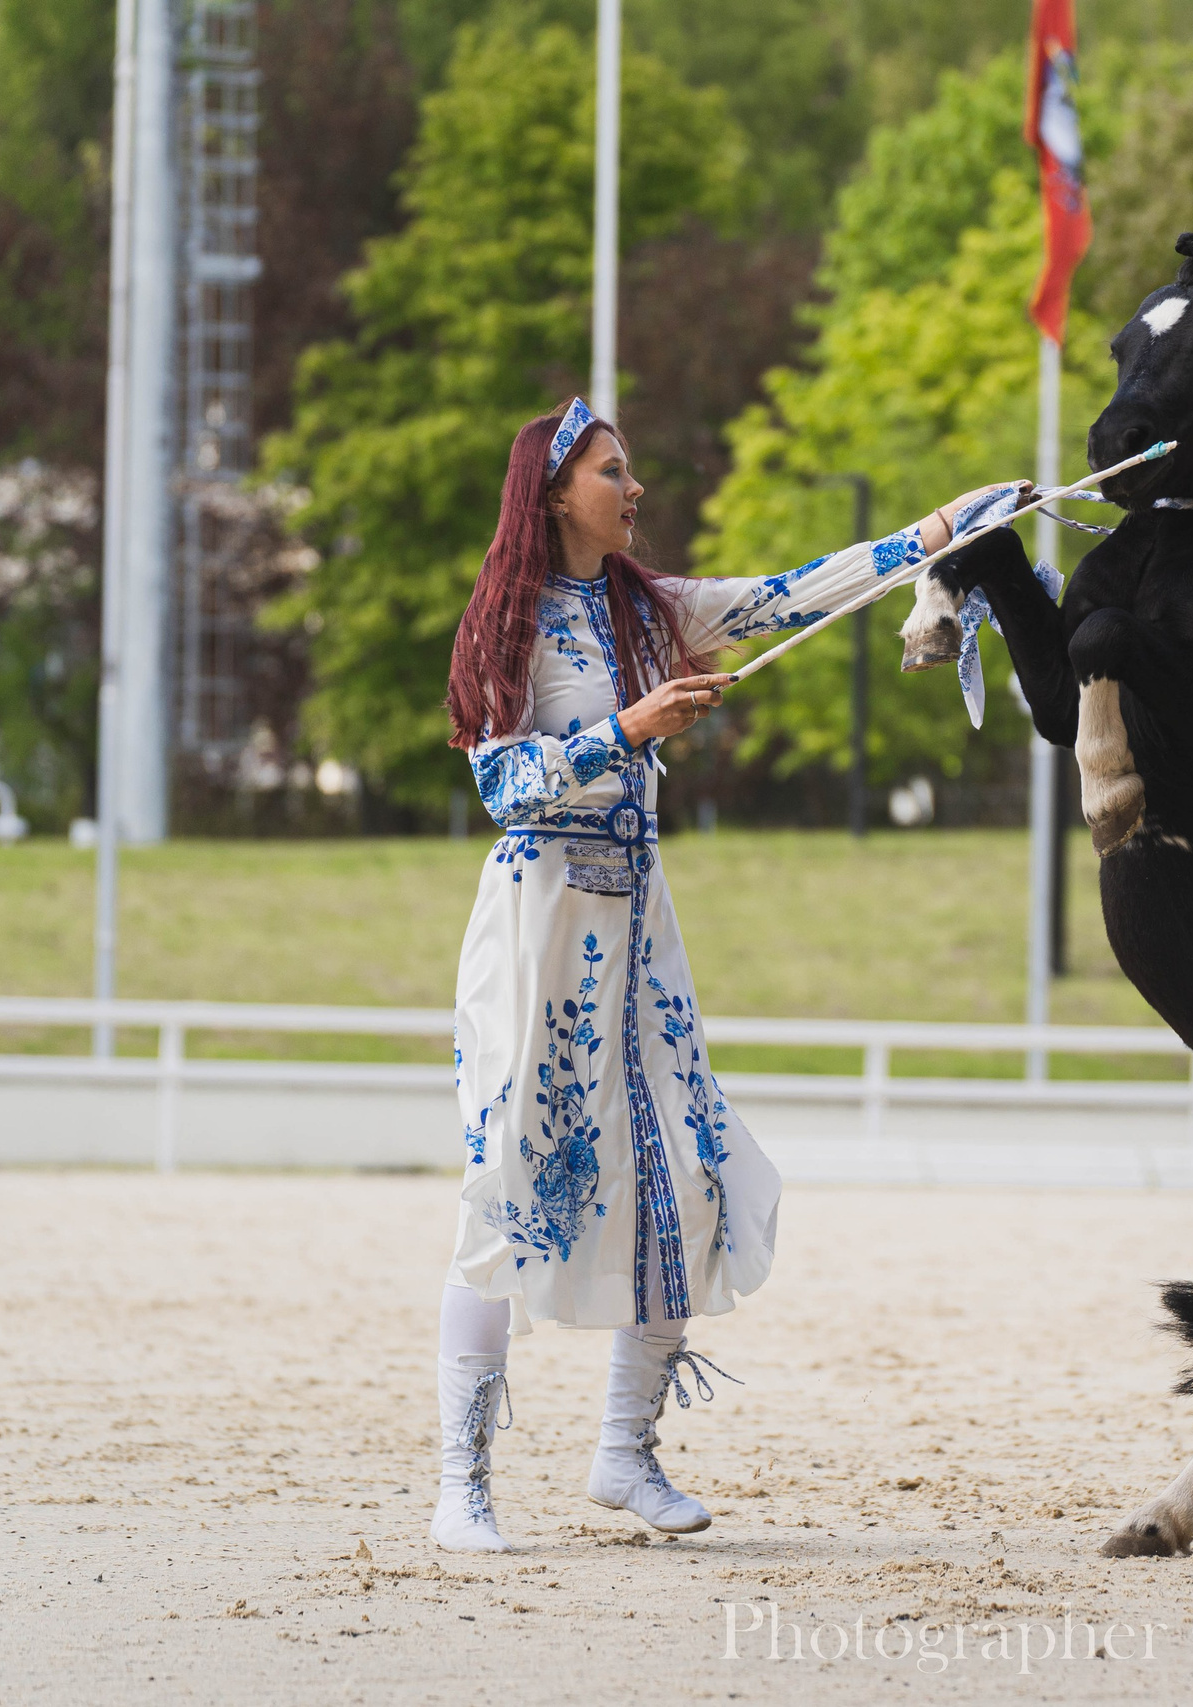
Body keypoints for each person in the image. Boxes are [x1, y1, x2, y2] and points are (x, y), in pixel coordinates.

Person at [432, 397, 1010, 1551]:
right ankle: (463, 1483)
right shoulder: (505, 621)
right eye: (611, 470)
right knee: (510, 1187)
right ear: (554, 493)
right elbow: (504, 789)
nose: (632, 486)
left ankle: (623, 1455)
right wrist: (629, 730)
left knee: (690, 1175)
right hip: (539, 930)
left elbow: (788, 595)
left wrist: (936, 531)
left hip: (640, 936)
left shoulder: (651, 610)